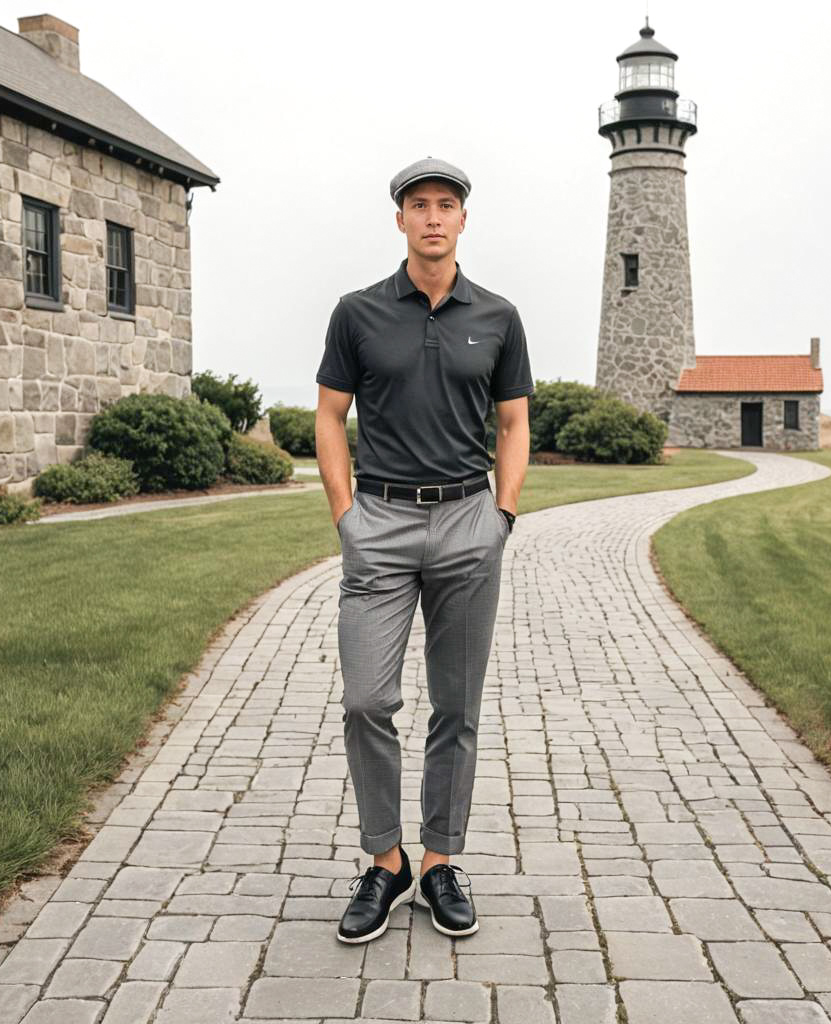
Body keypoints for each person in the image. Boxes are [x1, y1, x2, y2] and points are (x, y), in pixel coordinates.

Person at [314, 156, 534, 945]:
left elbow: (512, 424)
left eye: (446, 205)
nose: (433, 217)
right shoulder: (358, 313)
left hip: (468, 525)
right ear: (400, 219)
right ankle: (385, 862)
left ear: (463, 220)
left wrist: (501, 515)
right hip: (379, 524)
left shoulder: (500, 317)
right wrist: (347, 514)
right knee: (367, 700)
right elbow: (331, 417)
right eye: (419, 205)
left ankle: (440, 862)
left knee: (457, 706)